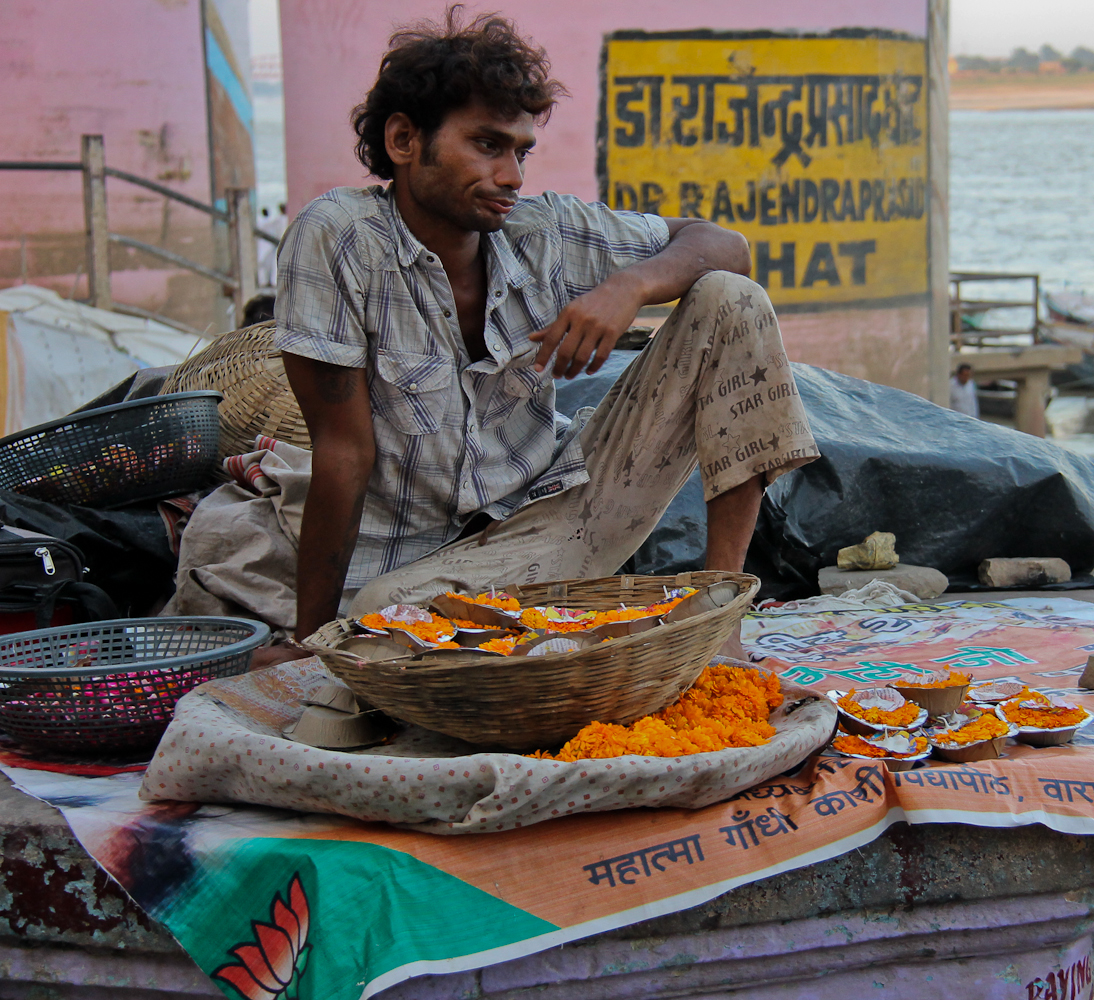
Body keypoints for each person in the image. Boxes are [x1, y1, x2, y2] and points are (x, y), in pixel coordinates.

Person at [164, 10, 820, 659]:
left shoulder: (545, 231)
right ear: (404, 140)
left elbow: (726, 245)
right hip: (411, 559)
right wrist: (311, 642)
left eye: (520, 151)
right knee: (375, 624)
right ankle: (554, 633)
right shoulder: (339, 238)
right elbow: (342, 452)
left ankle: (721, 617)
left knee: (731, 296)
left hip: (558, 519)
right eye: (487, 145)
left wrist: (629, 287)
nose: (513, 176)